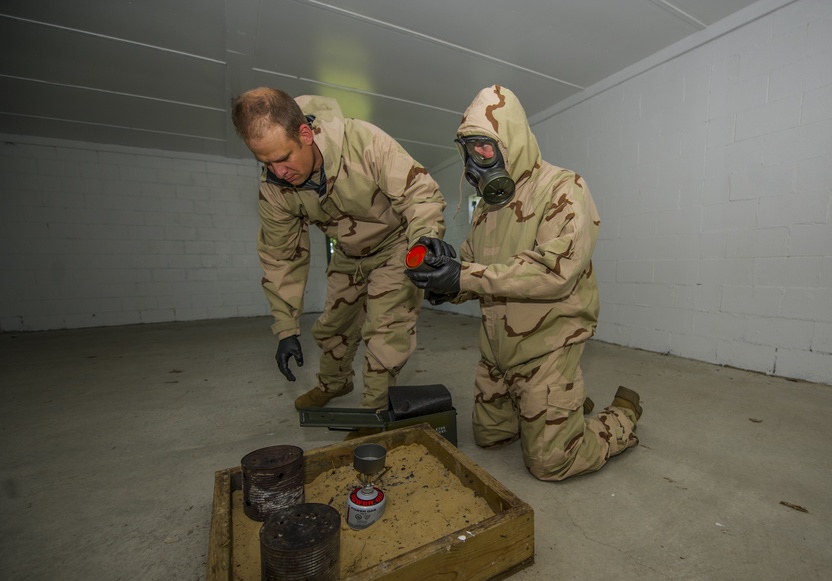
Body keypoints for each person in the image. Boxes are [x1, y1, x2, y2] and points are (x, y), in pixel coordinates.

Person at [405, 85, 642, 481]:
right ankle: (561, 411)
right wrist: (444, 277)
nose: (474, 163)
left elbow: (554, 271)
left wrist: (463, 274)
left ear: (510, 141)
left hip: (547, 346)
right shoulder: (487, 209)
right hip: (497, 351)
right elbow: (473, 267)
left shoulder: (564, 188)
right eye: (468, 151)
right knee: (490, 440)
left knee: (551, 464)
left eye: (483, 148)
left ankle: (620, 416)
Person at [231, 88, 446, 411]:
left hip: (396, 245)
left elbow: (419, 195)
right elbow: (281, 257)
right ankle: (335, 384)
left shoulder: (363, 142)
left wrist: (426, 244)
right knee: (332, 327)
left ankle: (373, 412)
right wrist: (286, 329)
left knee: (384, 333)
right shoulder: (275, 188)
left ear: (305, 134)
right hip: (348, 253)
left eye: (283, 158)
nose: (278, 173)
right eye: (265, 162)